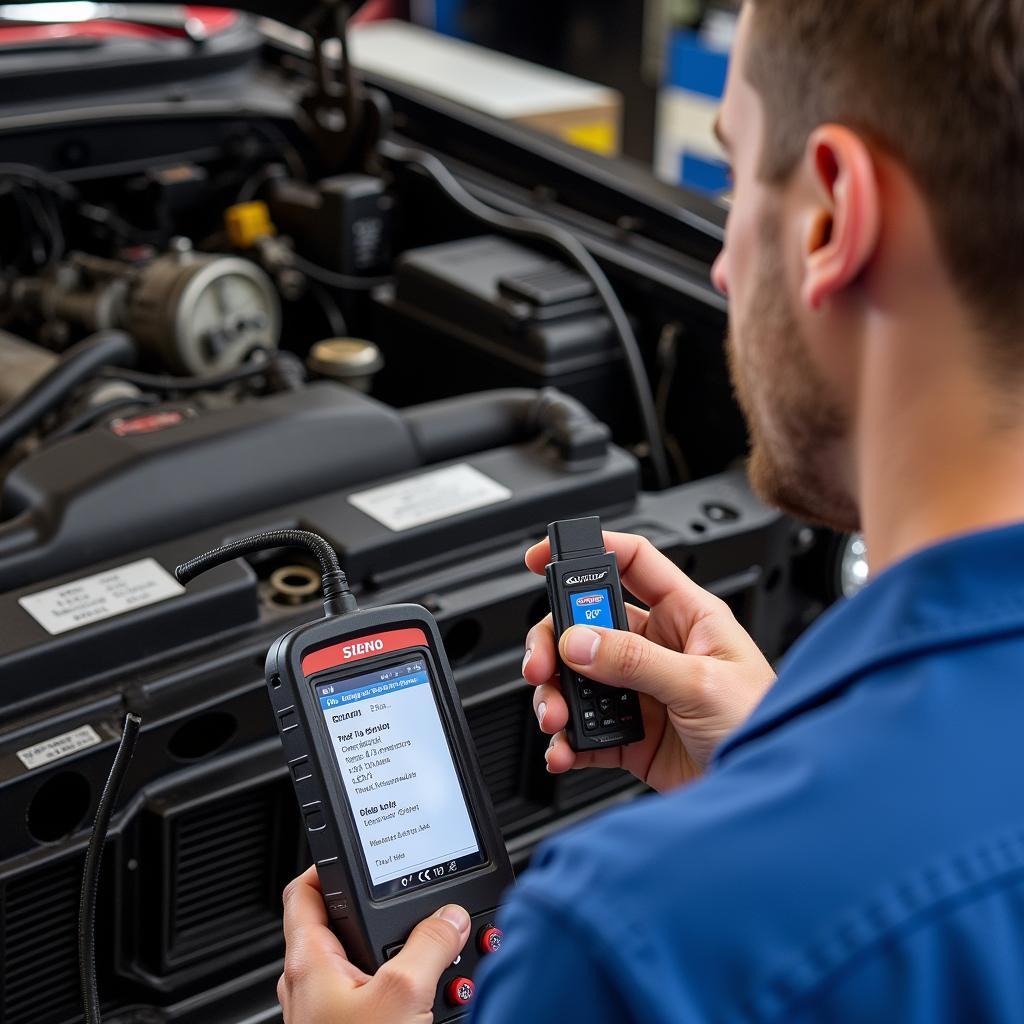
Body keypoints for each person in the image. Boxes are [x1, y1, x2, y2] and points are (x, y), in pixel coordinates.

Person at [277, 0, 1024, 1019]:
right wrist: (777, 755)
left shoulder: (638, 940)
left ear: (832, 220)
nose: (719, 266)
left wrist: (766, 814)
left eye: (733, 175)